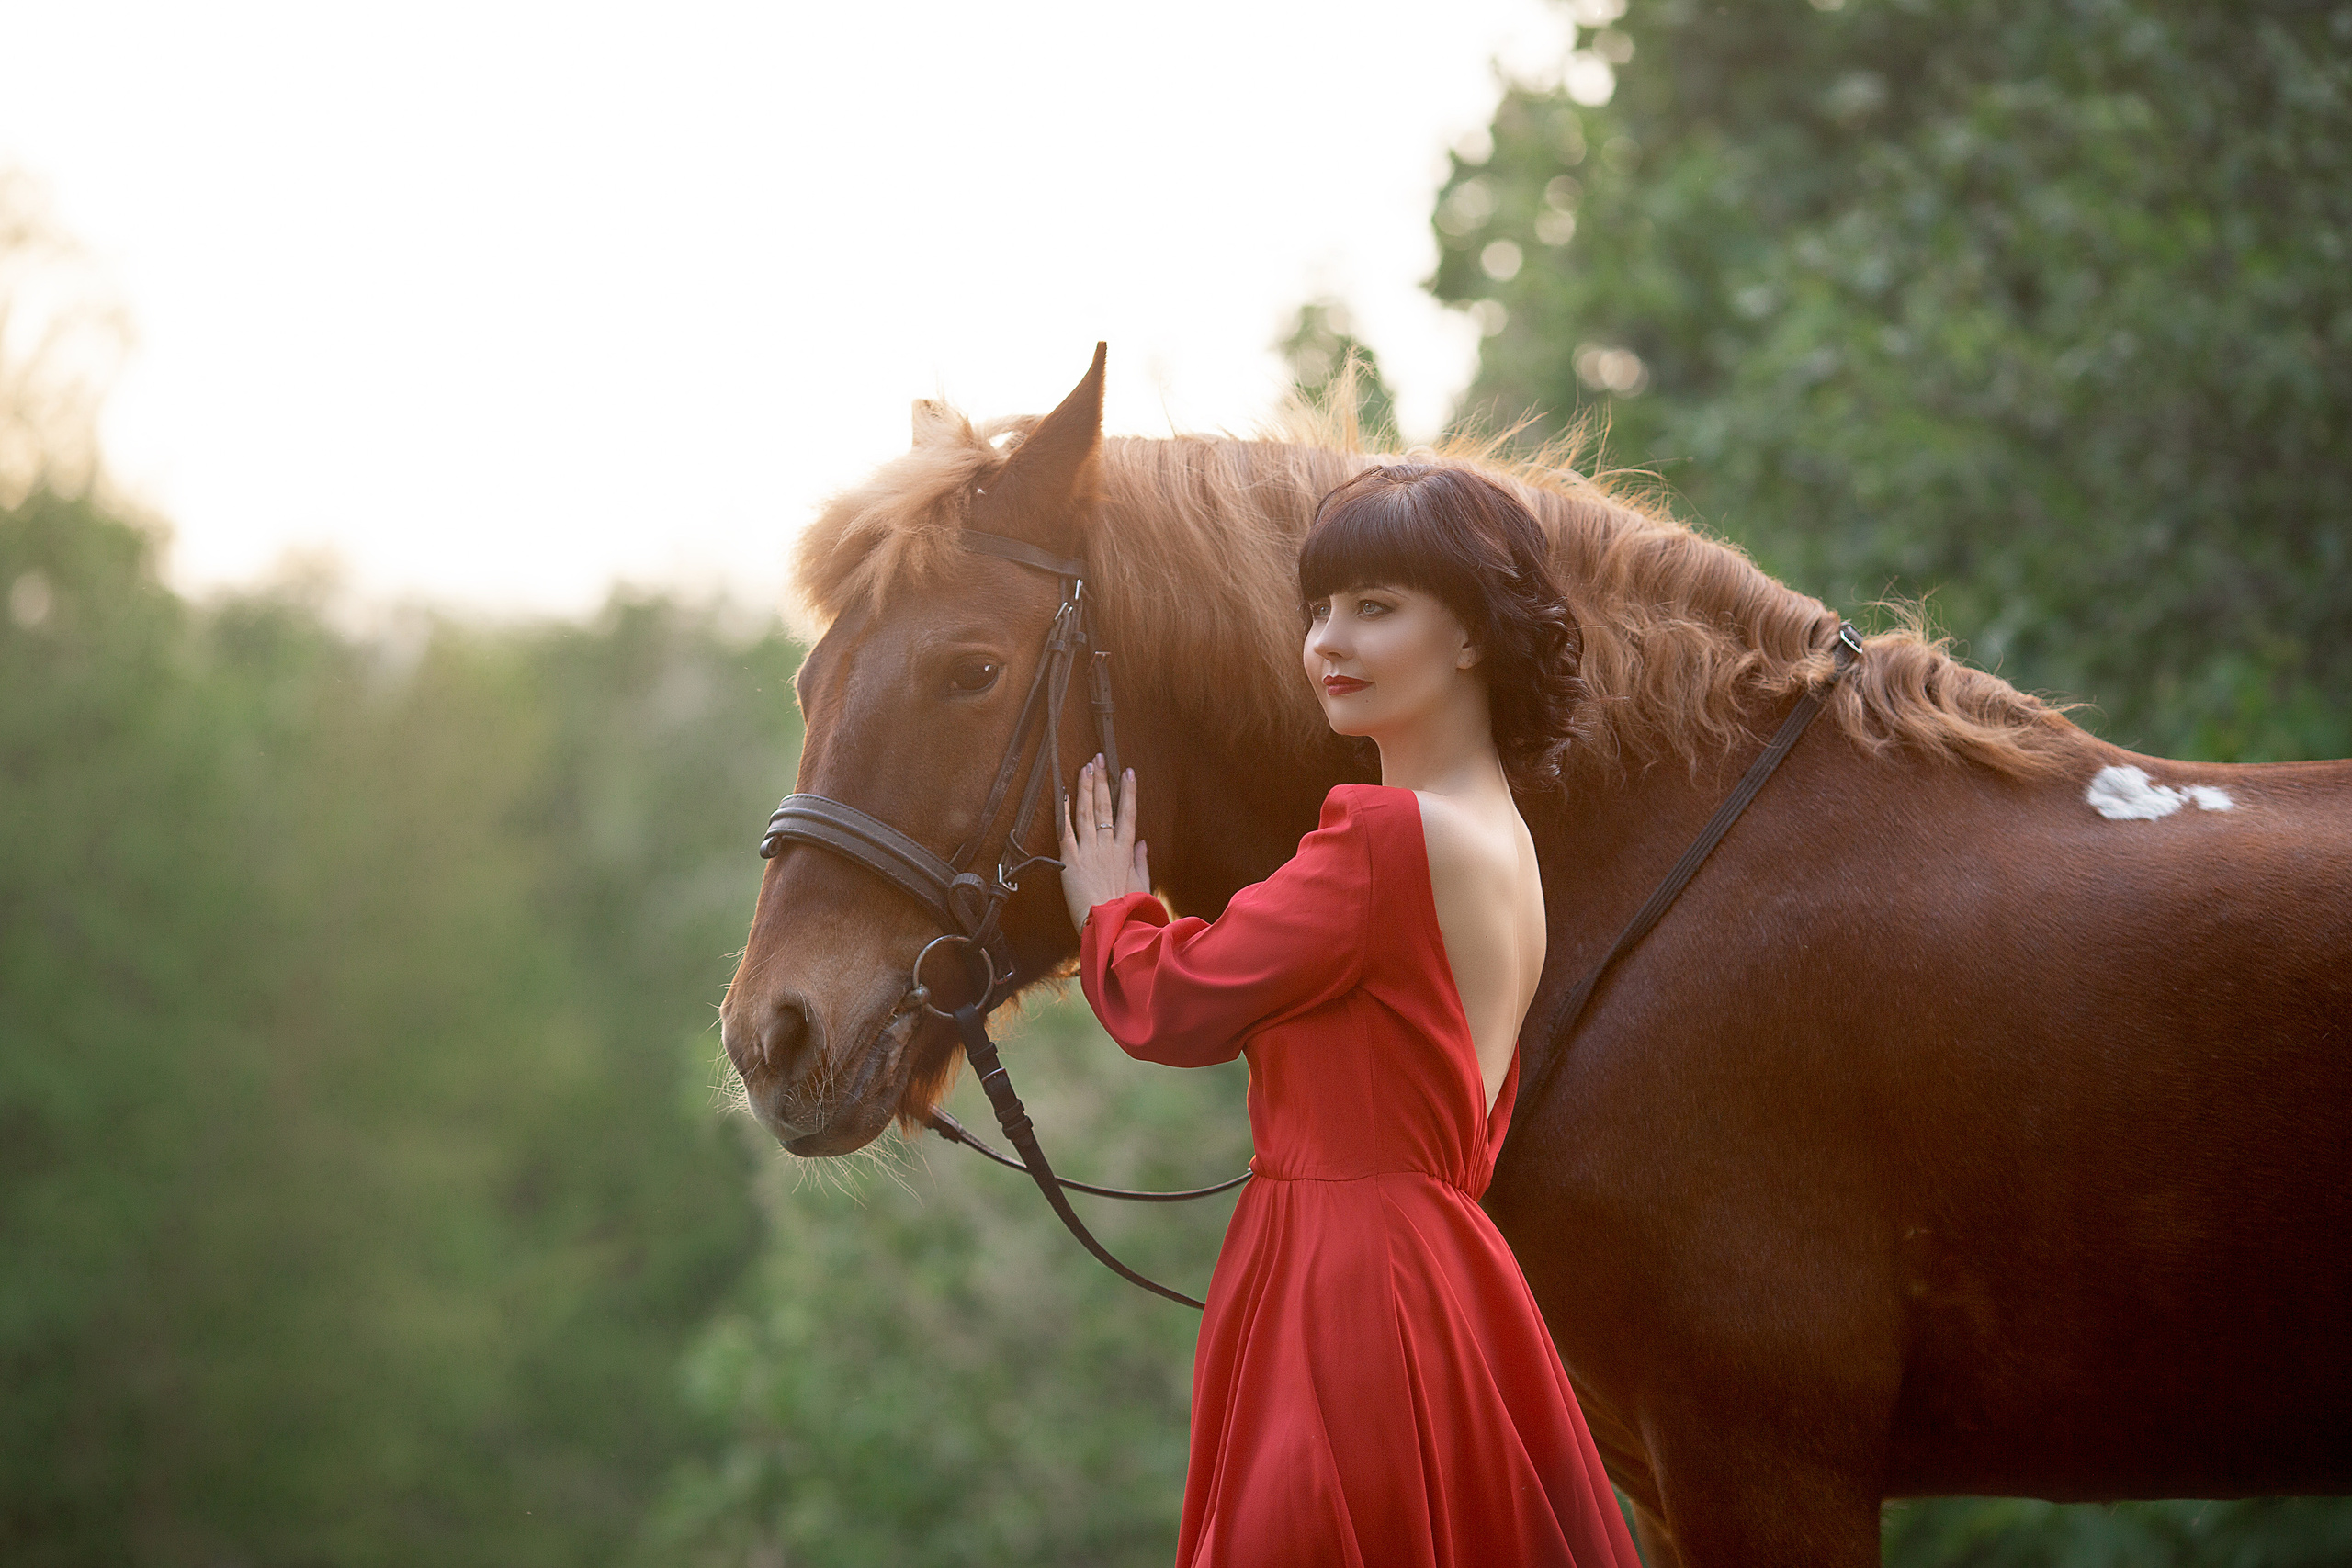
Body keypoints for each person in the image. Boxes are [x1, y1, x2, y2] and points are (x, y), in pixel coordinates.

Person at [1057, 465, 1643, 1568]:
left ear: (1472, 634)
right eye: (1318, 609)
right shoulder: (1506, 841)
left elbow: (1174, 1004)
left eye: (1374, 609)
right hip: (1445, 1283)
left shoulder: (1383, 841)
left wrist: (1110, 909)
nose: (1329, 641)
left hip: (1344, 1286)